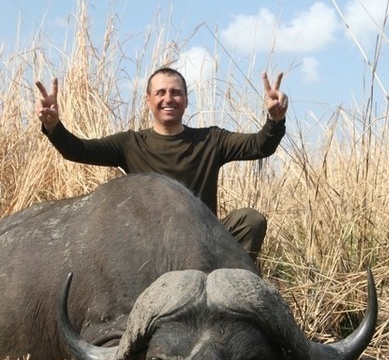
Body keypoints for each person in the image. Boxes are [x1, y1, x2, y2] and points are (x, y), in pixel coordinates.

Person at [35, 68, 288, 260]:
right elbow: (78, 150)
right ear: (148, 100)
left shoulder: (211, 139)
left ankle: (236, 288)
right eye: (161, 93)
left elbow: (259, 145)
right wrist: (53, 127)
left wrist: (274, 120)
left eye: (176, 92)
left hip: (205, 239)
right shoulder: (131, 143)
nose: (169, 98)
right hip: (152, 247)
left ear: (186, 101)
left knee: (251, 220)